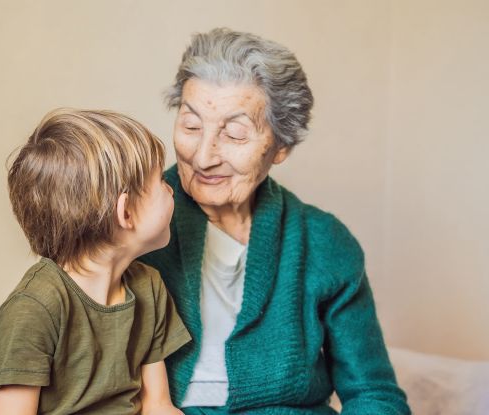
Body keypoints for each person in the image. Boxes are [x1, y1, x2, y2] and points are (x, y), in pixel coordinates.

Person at [140, 28, 411, 414]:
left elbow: (374, 393)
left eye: (234, 133)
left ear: (281, 146)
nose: (203, 157)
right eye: (191, 126)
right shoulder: (128, 221)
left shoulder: (324, 241)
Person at [0, 109, 192, 415]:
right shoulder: (33, 310)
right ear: (126, 212)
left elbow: (157, 405)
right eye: (160, 181)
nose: (171, 188)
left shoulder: (149, 287)